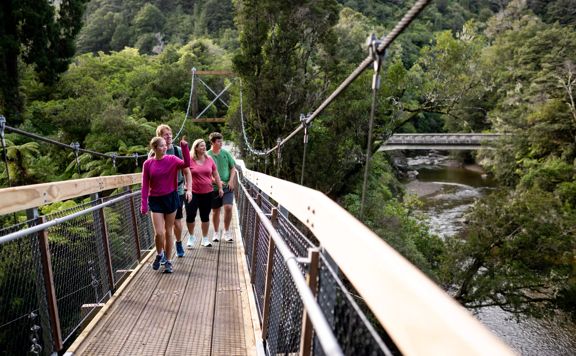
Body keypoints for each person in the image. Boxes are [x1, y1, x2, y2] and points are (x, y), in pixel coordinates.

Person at [141, 136, 191, 273]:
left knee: (169, 231)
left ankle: (168, 261)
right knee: (158, 233)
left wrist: (185, 147)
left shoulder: (172, 159)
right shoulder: (148, 164)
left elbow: (187, 164)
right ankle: (159, 254)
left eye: (165, 145)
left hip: (171, 197)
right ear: (155, 148)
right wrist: (143, 204)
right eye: (162, 145)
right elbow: (145, 185)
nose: (165, 147)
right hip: (155, 199)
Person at [156, 124, 191, 258]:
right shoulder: (153, 154)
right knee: (164, 227)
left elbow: (187, 171)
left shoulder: (177, 151)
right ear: (160, 137)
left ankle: (178, 242)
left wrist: (189, 189)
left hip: (178, 190)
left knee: (176, 223)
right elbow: (148, 172)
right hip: (160, 193)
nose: (169, 136)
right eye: (166, 134)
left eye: (170, 134)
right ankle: (165, 253)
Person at [185, 139, 223, 248]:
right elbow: (183, 171)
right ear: (196, 147)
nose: (204, 147)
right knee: (190, 216)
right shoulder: (190, 159)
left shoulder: (209, 159)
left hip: (207, 192)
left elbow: (216, 174)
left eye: (204, 145)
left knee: (205, 216)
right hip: (192, 192)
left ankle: (205, 238)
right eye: (201, 146)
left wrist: (220, 187)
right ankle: (191, 237)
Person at [208, 132, 236, 243]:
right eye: (219, 141)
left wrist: (231, 181)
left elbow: (233, 167)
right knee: (215, 211)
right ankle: (215, 232)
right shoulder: (207, 155)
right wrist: (217, 181)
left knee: (228, 207)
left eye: (221, 141)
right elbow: (206, 172)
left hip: (227, 187)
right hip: (214, 187)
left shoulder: (226, 153)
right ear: (213, 142)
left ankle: (226, 231)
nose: (221, 143)